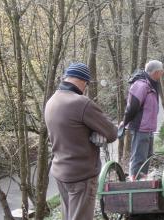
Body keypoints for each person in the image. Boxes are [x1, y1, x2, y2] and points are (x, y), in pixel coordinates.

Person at [45, 63, 117, 220]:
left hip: (61, 173)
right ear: (83, 81)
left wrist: (91, 131)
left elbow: (71, 130)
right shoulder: (81, 103)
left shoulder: (51, 101)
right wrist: (97, 132)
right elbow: (112, 132)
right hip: (81, 176)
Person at [120, 60, 164, 180]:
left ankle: (142, 180)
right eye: (161, 71)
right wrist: (125, 122)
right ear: (155, 72)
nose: (162, 74)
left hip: (148, 128)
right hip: (140, 127)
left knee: (147, 156)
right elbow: (132, 107)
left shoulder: (151, 84)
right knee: (139, 157)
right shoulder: (141, 85)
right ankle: (134, 182)